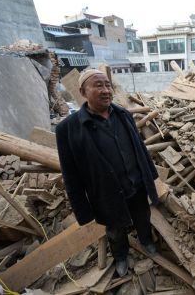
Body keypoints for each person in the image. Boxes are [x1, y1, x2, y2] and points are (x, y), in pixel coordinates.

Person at [55, 69, 159, 276]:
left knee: (142, 216)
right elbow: (71, 175)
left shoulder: (123, 114)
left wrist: (150, 176)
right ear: (83, 92)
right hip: (105, 193)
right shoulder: (68, 129)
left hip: (135, 184)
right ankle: (120, 255)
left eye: (107, 85)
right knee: (114, 228)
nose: (105, 90)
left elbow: (139, 147)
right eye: (98, 85)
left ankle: (146, 240)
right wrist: (83, 211)